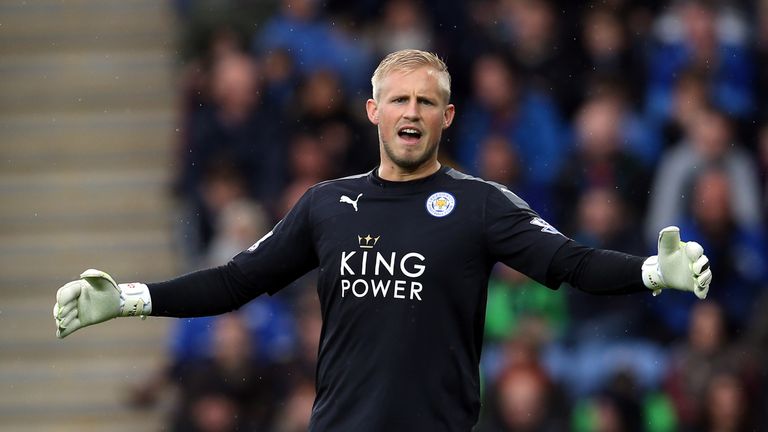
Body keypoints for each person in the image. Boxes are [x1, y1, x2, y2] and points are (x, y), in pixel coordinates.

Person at [53, 49, 712, 432]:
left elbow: (571, 262)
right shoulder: (326, 204)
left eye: (426, 103)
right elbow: (234, 281)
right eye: (397, 101)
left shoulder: (481, 205)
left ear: (447, 117)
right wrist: (130, 299)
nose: (411, 114)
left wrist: (655, 271)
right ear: (373, 111)